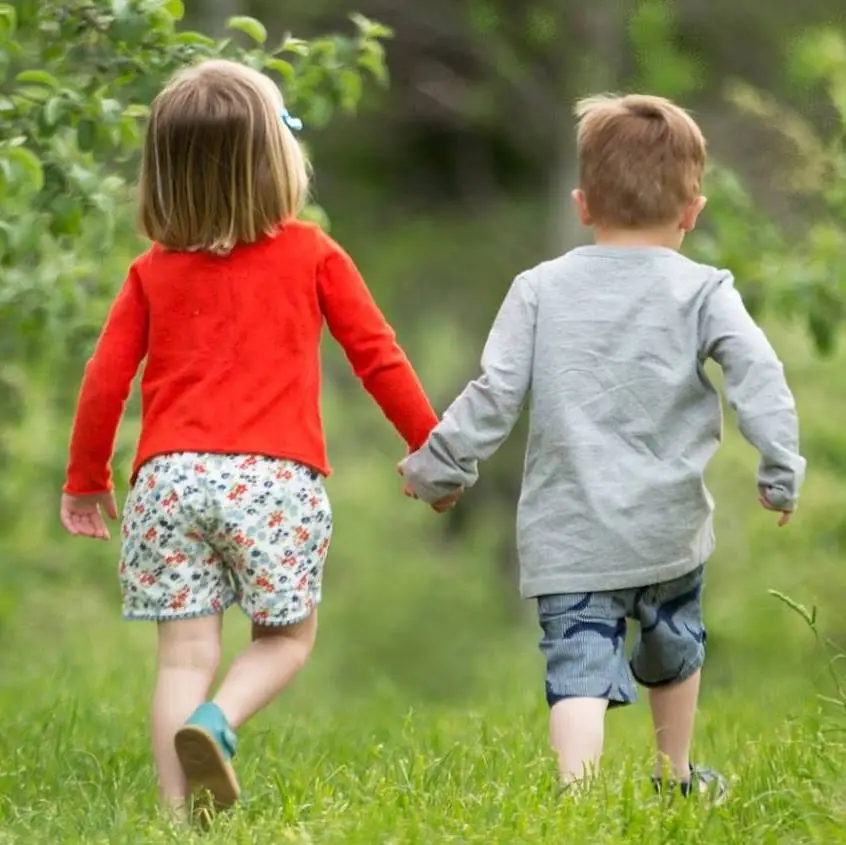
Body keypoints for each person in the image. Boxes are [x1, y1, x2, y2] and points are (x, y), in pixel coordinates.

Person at [59, 59, 450, 823]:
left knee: (184, 656)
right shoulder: (313, 255)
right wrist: (434, 452)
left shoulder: (151, 272)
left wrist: (84, 477)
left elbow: (104, 378)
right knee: (284, 639)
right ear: (277, 161)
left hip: (168, 481)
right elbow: (378, 355)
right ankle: (219, 721)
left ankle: (178, 818)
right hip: (274, 481)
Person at [398, 93, 806, 802]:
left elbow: (494, 393)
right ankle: (674, 775)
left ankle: (576, 796)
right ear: (692, 210)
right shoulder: (705, 289)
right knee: (675, 647)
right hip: (668, 527)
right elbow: (758, 374)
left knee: (579, 661)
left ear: (583, 204)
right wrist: (780, 465)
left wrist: (441, 466)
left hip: (570, 532)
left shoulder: (539, 289)